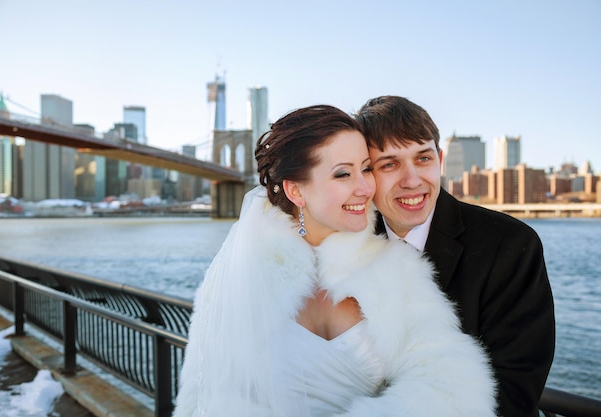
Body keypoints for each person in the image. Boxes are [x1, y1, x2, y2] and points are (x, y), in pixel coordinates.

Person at [173, 105, 497, 417]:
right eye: (343, 174)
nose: (365, 187)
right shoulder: (243, 275)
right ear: (296, 192)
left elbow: (452, 387)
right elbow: (210, 397)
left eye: (366, 168)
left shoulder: (397, 271)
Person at [355, 95, 555, 417]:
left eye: (423, 159)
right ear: (365, 173)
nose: (412, 180)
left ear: (440, 159)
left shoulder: (510, 244)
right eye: (389, 164)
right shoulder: (347, 244)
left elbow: (514, 390)